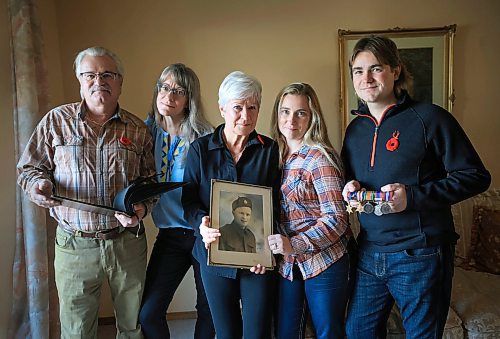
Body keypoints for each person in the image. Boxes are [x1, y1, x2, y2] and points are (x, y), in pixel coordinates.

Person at [341, 35, 491, 339]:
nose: (366, 78)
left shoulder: (431, 118)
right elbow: (351, 179)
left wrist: (412, 197)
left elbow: (475, 175)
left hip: (420, 252)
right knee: (357, 332)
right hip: (369, 251)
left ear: (396, 70)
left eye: (375, 68)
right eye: (358, 70)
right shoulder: (355, 129)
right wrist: (349, 186)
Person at [16, 46, 155, 338]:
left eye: (107, 74)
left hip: (127, 244)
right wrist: (37, 186)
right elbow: (29, 169)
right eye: (89, 74)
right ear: (80, 80)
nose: (98, 81)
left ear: (120, 82)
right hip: (73, 245)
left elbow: (149, 182)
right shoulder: (56, 121)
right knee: (77, 329)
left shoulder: (139, 130)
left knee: (132, 325)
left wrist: (141, 210)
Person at [182, 71, 280, 339]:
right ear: (222, 108)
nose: (245, 116)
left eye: (252, 107)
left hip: (256, 259)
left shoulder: (271, 150)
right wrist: (200, 223)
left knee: (257, 333)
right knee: (226, 333)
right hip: (213, 256)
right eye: (238, 107)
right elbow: (188, 201)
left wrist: (268, 248)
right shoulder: (200, 150)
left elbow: (277, 204)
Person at [267, 82, 355, 339]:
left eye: (300, 113)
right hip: (288, 264)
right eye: (285, 111)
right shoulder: (274, 156)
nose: (291, 120)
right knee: (286, 333)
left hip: (326, 261)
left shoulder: (320, 158)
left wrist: (294, 244)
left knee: (328, 332)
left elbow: (337, 219)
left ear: (312, 117)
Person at [138, 63, 215, 339]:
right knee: (148, 312)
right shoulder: (144, 133)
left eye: (178, 91)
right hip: (169, 234)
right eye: (164, 87)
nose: (168, 96)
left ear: (189, 99)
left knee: (208, 310)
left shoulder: (206, 137)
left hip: (202, 234)